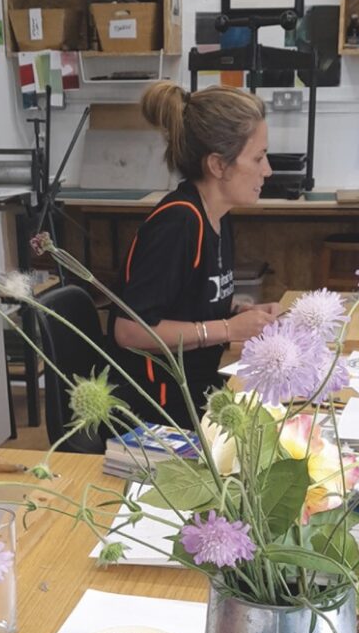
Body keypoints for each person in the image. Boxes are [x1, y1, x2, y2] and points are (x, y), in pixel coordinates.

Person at [108, 82, 282, 429]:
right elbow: (129, 331)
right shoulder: (179, 223)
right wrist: (228, 328)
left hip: (198, 390)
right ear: (218, 165)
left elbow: (188, 303)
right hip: (158, 410)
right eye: (259, 158)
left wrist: (241, 314)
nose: (268, 171)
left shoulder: (216, 214)